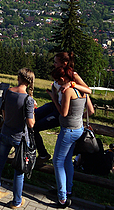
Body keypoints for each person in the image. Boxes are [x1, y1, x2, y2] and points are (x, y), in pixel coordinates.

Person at [34, 52, 91, 162]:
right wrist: (53, 93)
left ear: (64, 63)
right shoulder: (58, 74)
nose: (54, 64)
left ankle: (42, 154)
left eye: (56, 62)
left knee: (35, 127)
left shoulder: (73, 75)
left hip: (61, 109)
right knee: (31, 118)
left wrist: (71, 84)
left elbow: (88, 90)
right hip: (54, 105)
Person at [0, 68, 35, 209]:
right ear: (29, 82)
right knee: (19, 170)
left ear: (18, 78)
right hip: (19, 137)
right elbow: (30, 123)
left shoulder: (8, 91)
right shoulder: (28, 99)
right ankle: (16, 201)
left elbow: (3, 111)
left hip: (5, 132)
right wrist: (32, 111)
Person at [50, 66, 93, 208]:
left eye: (58, 81)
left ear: (63, 79)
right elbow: (89, 91)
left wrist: (54, 98)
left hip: (68, 130)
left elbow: (63, 113)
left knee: (57, 161)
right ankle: (68, 189)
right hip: (78, 129)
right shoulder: (82, 89)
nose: (58, 84)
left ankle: (62, 198)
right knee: (68, 160)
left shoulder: (68, 91)